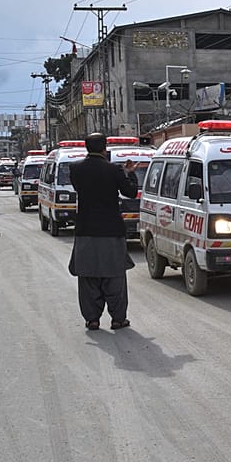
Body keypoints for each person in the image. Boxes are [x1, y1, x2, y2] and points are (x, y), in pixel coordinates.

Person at [68, 132, 139, 331]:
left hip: (85, 230)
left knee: (88, 277)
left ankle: (92, 319)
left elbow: (81, 189)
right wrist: (129, 172)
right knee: (115, 276)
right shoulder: (114, 170)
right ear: (104, 148)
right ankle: (118, 319)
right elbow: (130, 192)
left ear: (86, 147)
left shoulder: (75, 169)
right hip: (111, 230)